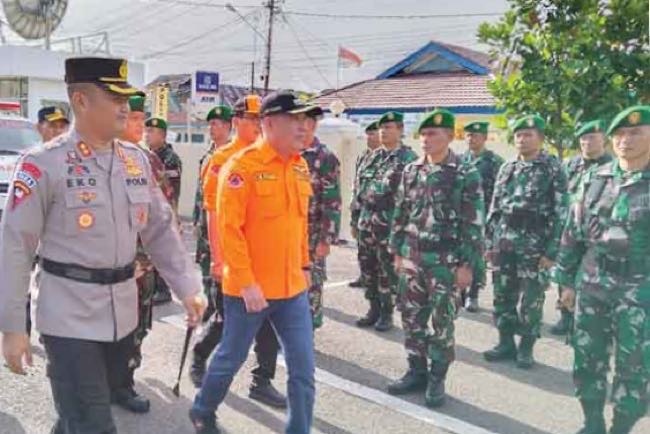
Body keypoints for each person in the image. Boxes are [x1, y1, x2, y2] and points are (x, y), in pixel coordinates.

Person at [0, 57, 206, 434]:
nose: (125, 106)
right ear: (80, 101)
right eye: (114, 96)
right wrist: (13, 327)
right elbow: (15, 247)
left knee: (76, 418)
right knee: (93, 423)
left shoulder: (135, 162)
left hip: (121, 315)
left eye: (127, 97)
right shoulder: (43, 164)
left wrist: (188, 287)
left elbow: (160, 229)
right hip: (68, 315)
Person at [190, 90, 315, 434]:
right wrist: (246, 282)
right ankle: (202, 409)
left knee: (303, 369)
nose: (304, 128)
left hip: (291, 289)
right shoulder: (241, 167)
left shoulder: (300, 166)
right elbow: (230, 230)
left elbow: (298, 224)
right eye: (296, 121)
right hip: (250, 291)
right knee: (231, 357)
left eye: (307, 121)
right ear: (270, 123)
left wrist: (304, 267)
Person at [554, 105, 650, 434]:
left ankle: (621, 426)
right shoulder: (595, 180)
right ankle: (592, 421)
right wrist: (566, 282)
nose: (626, 140)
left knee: (635, 369)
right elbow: (572, 234)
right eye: (620, 134)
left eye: (636, 132)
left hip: (641, 291)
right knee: (587, 360)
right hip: (593, 284)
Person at [388, 109, 484, 407]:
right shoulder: (412, 169)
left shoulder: (465, 172)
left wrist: (468, 266)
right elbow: (401, 212)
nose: (426, 139)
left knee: (443, 323)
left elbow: (474, 223)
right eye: (424, 134)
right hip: (412, 258)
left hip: (446, 263)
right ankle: (416, 370)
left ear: (450, 136)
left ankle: (437, 377)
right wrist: (396, 251)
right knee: (411, 317)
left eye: (433, 134)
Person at [107, 95, 178, 413]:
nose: (138, 125)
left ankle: (123, 383)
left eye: (141, 119)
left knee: (138, 326)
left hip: (142, 265)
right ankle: (103, 383)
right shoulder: (98, 157)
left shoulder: (150, 161)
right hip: (108, 265)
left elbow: (165, 212)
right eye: (131, 118)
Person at [483, 114, 568, 369]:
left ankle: (526, 347)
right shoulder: (507, 167)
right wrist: (489, 243)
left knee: (532, 301)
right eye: (519, 134)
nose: (522, 139)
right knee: (502, 296)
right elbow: (494, 207)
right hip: (504, 242)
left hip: (535, 245)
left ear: (540, 139)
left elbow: (561, 212)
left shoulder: (553, 167)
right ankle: (505, 342)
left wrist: (552, 251)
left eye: (528, 134)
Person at [549, 119, 612, 336]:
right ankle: (566, 316)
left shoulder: (611, 166)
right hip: (568, 230)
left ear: (603, 139)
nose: (587, 142)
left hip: (596, 233)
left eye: (592, 137)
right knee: (564, 272)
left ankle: (588, 319)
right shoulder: (570, 165)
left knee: (592, 280)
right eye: (583, 138)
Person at [356, 111, 417, 332]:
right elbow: (360, 191)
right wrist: (356, 221)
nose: (383, 132)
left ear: (400, 130)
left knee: (386, 272)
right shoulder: (372, 156)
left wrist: (404, 233)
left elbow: (411, 199)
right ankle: (372, 308)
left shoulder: (408, 159)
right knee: (367, 268)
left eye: (389, 128)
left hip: (389, 224)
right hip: (367, 222)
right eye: (382, 128)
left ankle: (386, 313)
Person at [300, 105, 342, 329]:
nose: (300, 126)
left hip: (314, 234)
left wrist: (326, 239)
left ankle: (309, 330)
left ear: (314, 125)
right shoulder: (289, 153)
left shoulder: (325, 157)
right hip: (288, 234)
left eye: (305, 121)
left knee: (312, 284)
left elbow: (332, 201)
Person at [193, 105, 233, 318]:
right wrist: (196, 219)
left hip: (220, 222)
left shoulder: (233, 155)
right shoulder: (209, 154)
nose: (211, 128)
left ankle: (221, 309)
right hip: (205, 221)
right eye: (210, 124)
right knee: (205, 263)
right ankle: (210, 304)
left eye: (216, 124)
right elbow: (201, 192)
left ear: (228, 126)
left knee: (221, 269)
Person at [460, 121, 504, 312]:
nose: (471, 139)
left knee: (477, 256)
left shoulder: (495, 162)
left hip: (483, 217)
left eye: (475, 136)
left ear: (485, 138)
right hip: (461, 217)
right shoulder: (460, 160)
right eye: (468, 135)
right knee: (460, 254)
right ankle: (459, 292)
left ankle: (473, 294)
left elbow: (500, 192)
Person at [145, 116, 183, 304]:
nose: (147, 135)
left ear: (162, 135)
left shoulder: (170, 158)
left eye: (152, 132)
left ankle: (164, 289)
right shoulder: (147, 155)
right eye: (147, 131)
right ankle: (153, 288)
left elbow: (170, 189)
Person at [349, 120, 380, 289]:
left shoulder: (385, 158)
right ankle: (364, 275)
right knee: (363, 248)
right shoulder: (363, 156)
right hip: (362, 211)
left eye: (373, 134)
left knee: (380, 255)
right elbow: (357, 183)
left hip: (380, 216)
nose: (369, 137)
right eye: (368, 134)